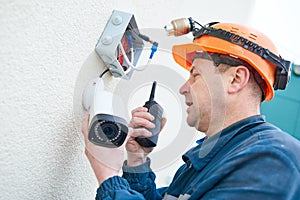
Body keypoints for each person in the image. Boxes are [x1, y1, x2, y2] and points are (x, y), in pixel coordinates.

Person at [82, 21, 300, 199]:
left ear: (235, 79)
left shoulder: (270, 161)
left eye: (195, 75)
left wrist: (108, 175)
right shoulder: (216, 156)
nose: (184, 88)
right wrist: (137, 160)